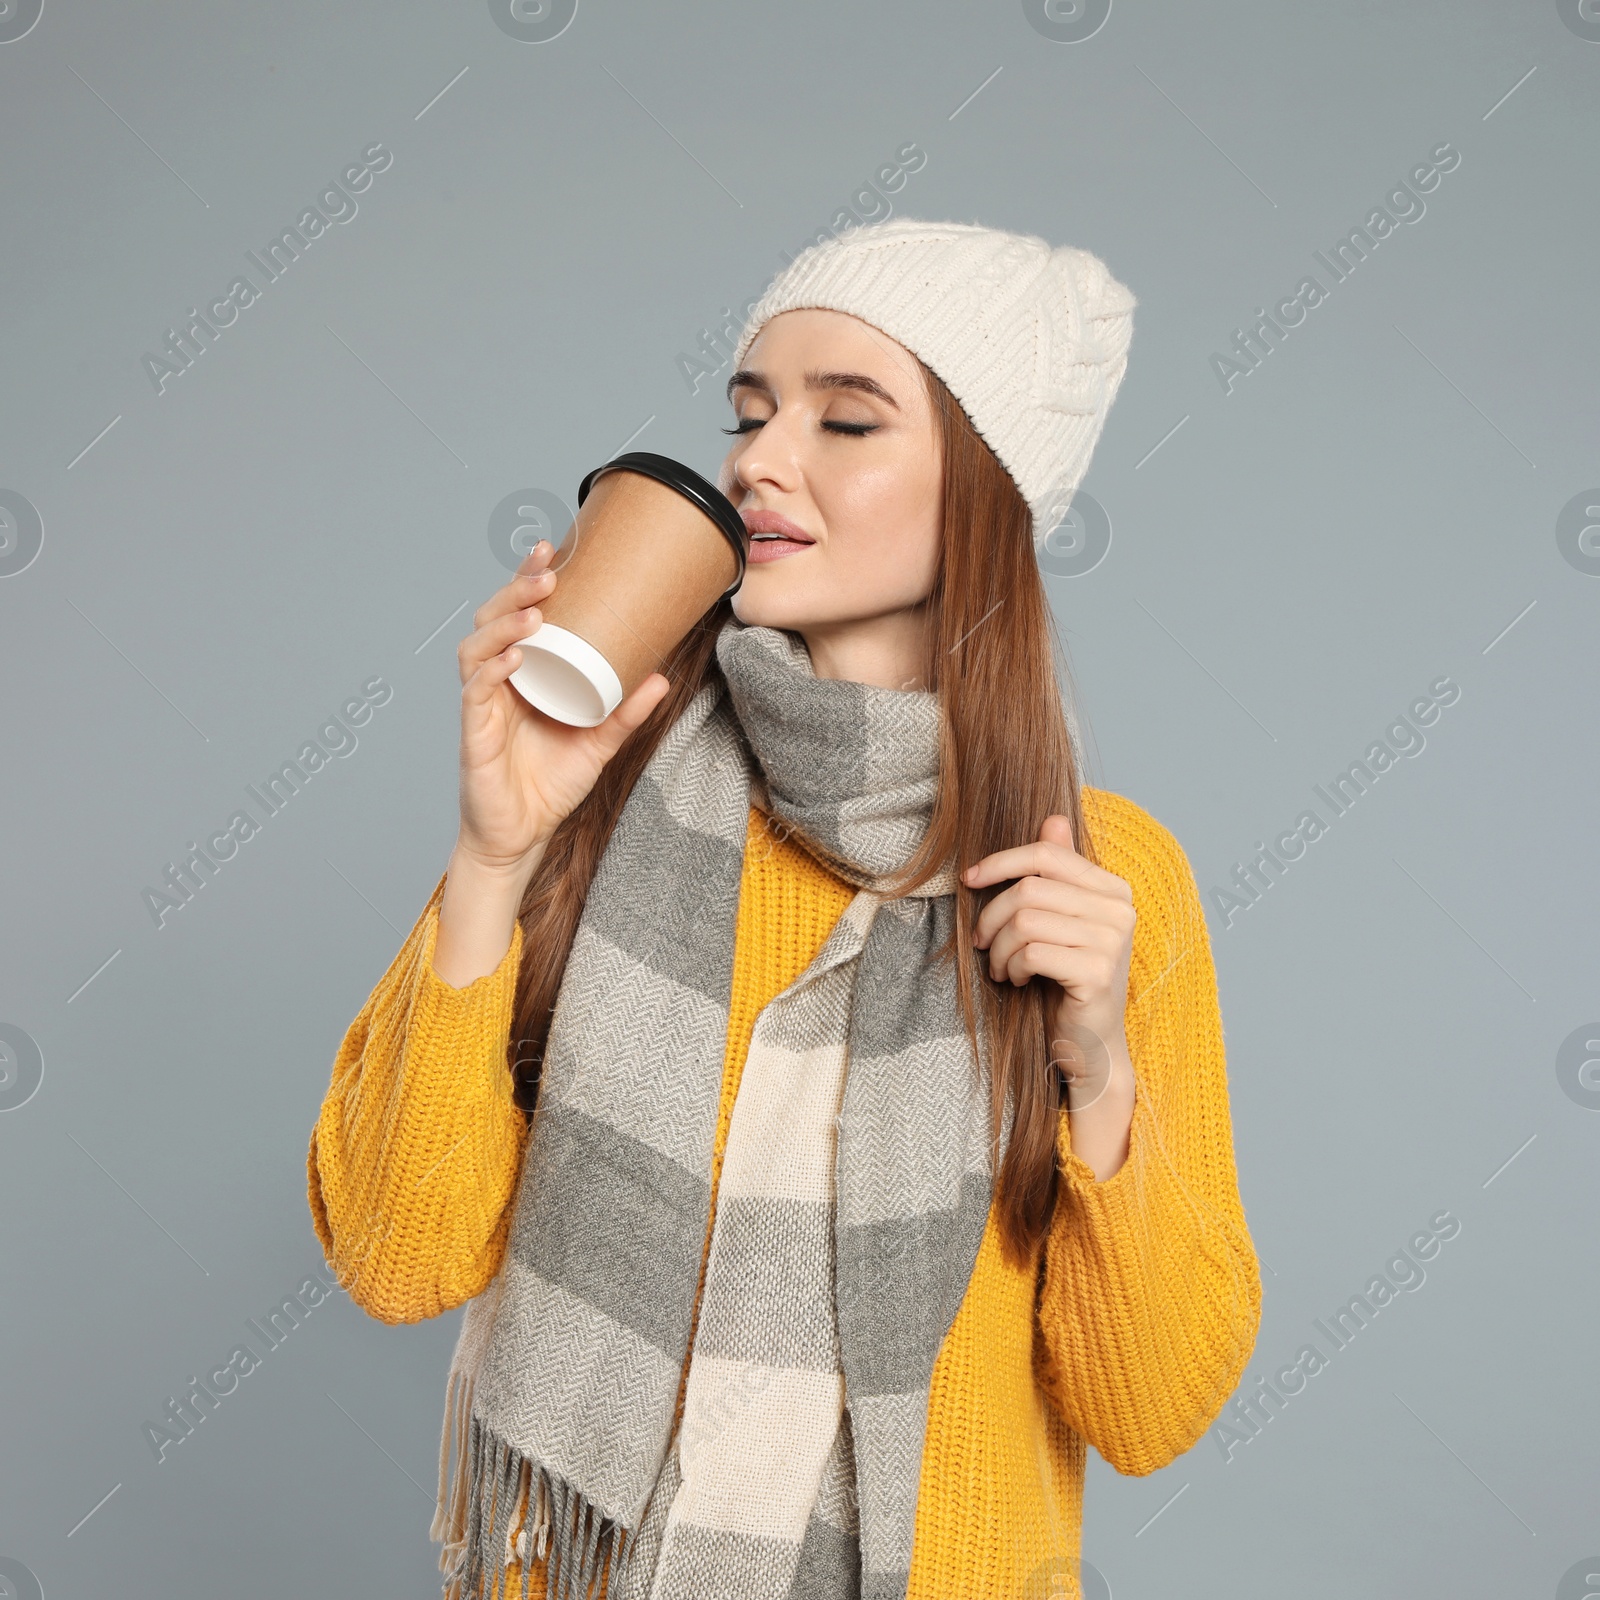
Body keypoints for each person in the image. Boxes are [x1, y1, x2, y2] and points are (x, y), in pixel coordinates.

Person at [308, 216, 1262, 1600]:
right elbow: (398, 1253)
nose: (758, 458)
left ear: (987, 489)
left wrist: (1098, 1068)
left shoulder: (1104, 882)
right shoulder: (604, 793)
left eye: (847, 421)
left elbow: (1150, 1407)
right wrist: (492, 852)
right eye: (750, 413)